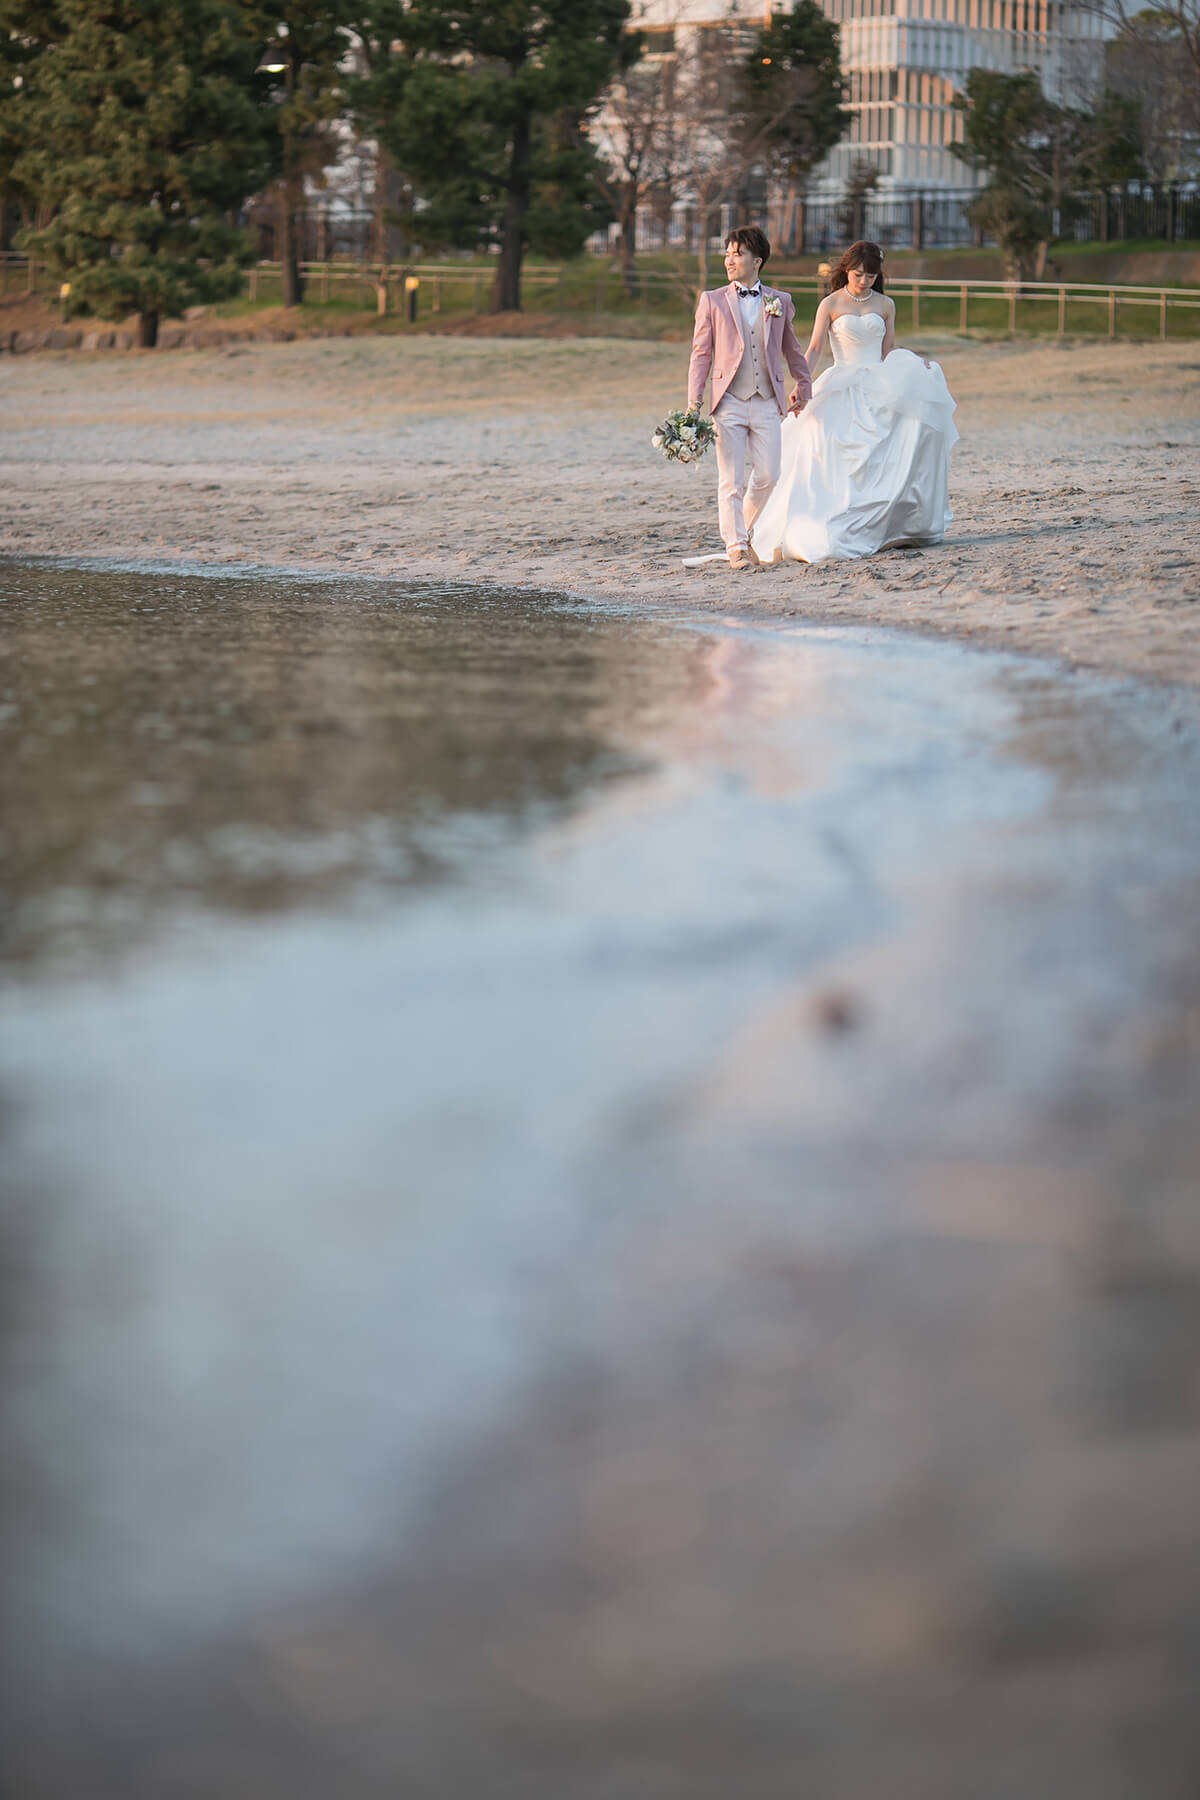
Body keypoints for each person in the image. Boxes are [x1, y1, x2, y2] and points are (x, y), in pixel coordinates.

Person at [750, 241, 959, 566]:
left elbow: (888, 349)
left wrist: (916, 368)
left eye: (871, 276)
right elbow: (817, 347)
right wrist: (802, 382)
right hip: (842, 380)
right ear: (847, 269)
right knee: (826, 444)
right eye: (859, 274)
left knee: (903, 436)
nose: (863, 281)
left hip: (878, 381)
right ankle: (833, 516)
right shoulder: (831, 303)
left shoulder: (886, 304)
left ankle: (893, 523)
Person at [687, 226, 813, 574]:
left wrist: (804, 385)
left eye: (737, 253)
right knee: (731, 480)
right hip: (727, 401)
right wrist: (693, 403)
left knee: (769, 475)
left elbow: (793, 349)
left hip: (767, 399)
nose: (729, 259)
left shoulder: (779, 301)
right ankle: (737, 547)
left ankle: (741, 530)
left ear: (757, 261)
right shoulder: (711, 300)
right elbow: (701, 354)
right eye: (727, 252)